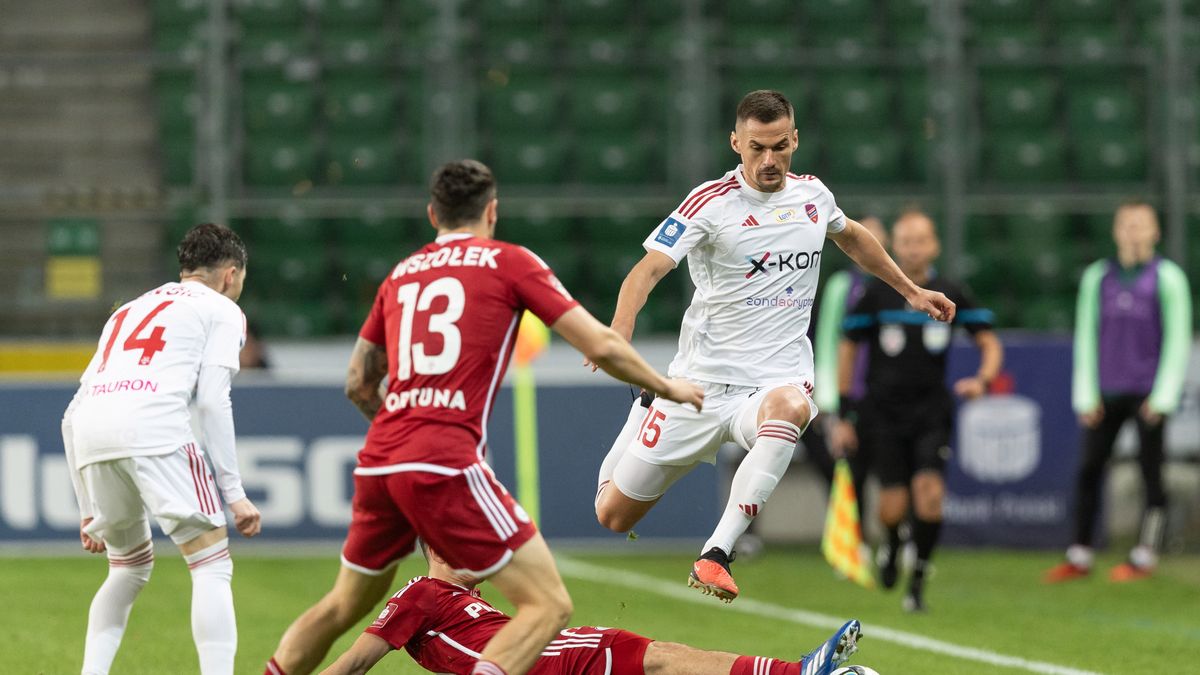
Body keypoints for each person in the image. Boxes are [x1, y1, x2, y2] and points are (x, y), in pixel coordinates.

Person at [265, 160, 704, 675]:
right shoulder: (509, 262)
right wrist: (667, 385)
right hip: (444, 457)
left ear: (433, 213)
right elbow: (601, 343)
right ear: (492, 211)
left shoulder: (401, 275)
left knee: (341, 606)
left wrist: (399, 428)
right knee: (548, 605)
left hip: (381, 457)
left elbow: (359, 382)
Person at [590, 90, 957, 603]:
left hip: (771, 381)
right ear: (736, 142)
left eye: (780, 147)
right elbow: (648, 268)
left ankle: (717, 552)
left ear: (795, 139)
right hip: (697, 385)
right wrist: (617, 331)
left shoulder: (813, 196)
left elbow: (850, 236)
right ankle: (644, 412)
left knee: (791, 407)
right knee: (612, 515)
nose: (769, 160)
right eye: (757, 148)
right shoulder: (709, 203)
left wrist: (911, 291)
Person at [62, 223, 262, 675]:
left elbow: (70, 416)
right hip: (154, 427)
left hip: (93, 428)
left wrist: (87, 507)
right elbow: (212, 400)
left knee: (128, 568)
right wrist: (234, 492)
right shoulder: (222, 310)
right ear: (230, 275)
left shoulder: (128, 309)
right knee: (211, 564)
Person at [320, 542, 863, 675]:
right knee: (662, 657)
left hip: (541, 658)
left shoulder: (465, 600)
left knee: (663, 659)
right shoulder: (422, 594)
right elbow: (355, 662)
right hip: (547, 659)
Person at [835, 211, 1003, 612]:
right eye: (906, 241)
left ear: (935, 245)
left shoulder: (950, 291)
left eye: (921, 240)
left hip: (931, 411)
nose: (913, 248)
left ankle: (918, 583)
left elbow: (989, 342)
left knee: (929, 497)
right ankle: (892, 545)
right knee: (891, 506)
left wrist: (982, 379)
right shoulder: (876, 293)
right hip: (883, 412)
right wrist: (845, 411)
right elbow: (848, 348)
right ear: (894, 245)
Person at [1044, 201, 1192, 583]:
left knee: (1151, 473)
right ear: (1116, 231)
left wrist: (1163, 397)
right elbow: (1086, 336)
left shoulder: (1169, 278)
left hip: (1147, 396)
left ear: (1155, 232)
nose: (1134, 232)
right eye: (1127, 225)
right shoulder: (1098, 277)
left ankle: (1144, 555)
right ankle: (1079, 555)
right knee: (1089, 471)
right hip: (1105, 393)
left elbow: (1178, 340)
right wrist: (1085, 395)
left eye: (1141, 225)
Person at [814, 216, 890, 520]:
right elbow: (827, 341)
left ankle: (897, 542)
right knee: (848, 471)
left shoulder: (893, 285)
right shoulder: (840, 286)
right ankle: (853, 542)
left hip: (884, 395)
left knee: (891, 469)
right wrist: (828, 398)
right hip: (848, 394)